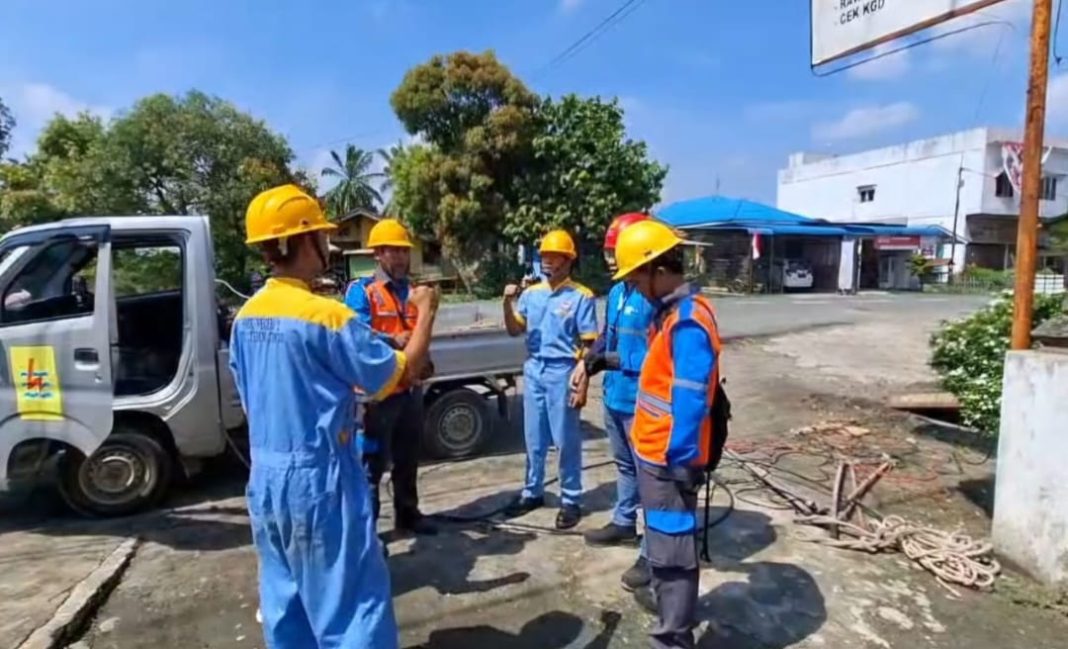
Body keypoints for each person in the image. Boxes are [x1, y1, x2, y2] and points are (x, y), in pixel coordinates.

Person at [229, 184, 438, 649]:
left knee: (287, 606)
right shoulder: (326, 315)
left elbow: (249, 400)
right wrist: (426, 314)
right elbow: (398, 375)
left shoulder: (245, 317)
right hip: (320, 479)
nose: (328, 244)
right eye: (322, 235)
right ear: (305, 241)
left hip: (265, 480)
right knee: (352, 607)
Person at [611, 219, 723, 649]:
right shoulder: (671, 314)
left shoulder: (688, 323)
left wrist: (680, 461)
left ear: (658, 269)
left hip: (670, 460)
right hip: (654, 455)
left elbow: (691, 403)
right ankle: (669, 623)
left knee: (673, 552)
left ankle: (673, 639)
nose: (634, 287)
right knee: (661, 545)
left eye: (636, 277)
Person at [571, 213, 657, 587]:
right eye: (607, 251)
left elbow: (658, 354)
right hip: (615, 398)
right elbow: (609, 334)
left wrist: (613, 361)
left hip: (644, 401)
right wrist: (590, 360)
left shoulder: (655, 295)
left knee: (652, 481)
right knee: (624, 467)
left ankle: (652, 553)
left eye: (614, 252)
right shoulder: (620, 291)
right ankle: (624, 522)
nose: (609, 259)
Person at [345, 218, 437, 537]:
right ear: (378, 254)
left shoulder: (414, 292)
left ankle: (408, 514)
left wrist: (424, 361)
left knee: (408, 457)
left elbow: (422, 336)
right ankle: (367, 534)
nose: (399, 258)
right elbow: (356, 335)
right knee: (370, 467)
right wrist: (393, 340)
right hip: (376, 395)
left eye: (403, 251)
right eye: (392, 251)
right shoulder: (361, 291)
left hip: (408, 390)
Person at [502, 229, 599, 530]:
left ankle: (570, 499)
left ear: (568, 260)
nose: (546, 261)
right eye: (544, 255)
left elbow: (589, 343)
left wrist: (582, 381)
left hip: (563, 371)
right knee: (534, 438)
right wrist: (507, 303)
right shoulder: (531, 294)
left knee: (565, 439)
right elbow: (515, 331)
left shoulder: (581, 297)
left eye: (553, 256)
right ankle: (533, 492)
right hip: (534, 369)